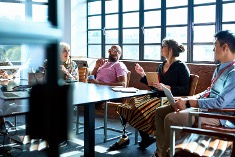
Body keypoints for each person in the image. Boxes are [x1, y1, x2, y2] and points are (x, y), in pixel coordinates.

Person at [152, 30, 235, 157]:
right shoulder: (220, 68)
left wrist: (190, 102)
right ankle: (161, 151)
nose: (213, 49)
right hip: (206, 107)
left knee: (171, 118)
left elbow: (220, 102)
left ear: (225, 47)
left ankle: (167, 154)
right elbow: (209, 91)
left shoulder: (233, 72)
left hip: (219, 114)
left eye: (215, 45)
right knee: (160, 112)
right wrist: (189, 98)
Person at [109, 38, 190, 151]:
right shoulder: (162, 66)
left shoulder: (181, 67)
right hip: (156, 96)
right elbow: (154, 85)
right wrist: (143, 74)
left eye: (163, 47)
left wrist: (168, 88)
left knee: (141, 108)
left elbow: (185, 89)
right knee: (127, 104)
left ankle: (147, 136)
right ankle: (141, 137)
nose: (161, 49)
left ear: (170, 49)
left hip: (169, 99)